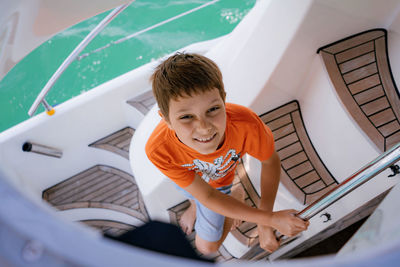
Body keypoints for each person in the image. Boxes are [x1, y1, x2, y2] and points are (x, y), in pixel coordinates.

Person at [145, 52, 309, 255]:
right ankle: (195, 205)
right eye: (186, 117)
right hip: (188, 179)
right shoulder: (158, 150)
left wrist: (265, 222)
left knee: (206, 248)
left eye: (213, 109)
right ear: (166, 119)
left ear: (224, 100)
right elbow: (204, 194)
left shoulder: (246, 124)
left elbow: (270, 161)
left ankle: (235, 195)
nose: (204, 128)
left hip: (219, 183)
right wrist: (268, 219)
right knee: (193, 194)